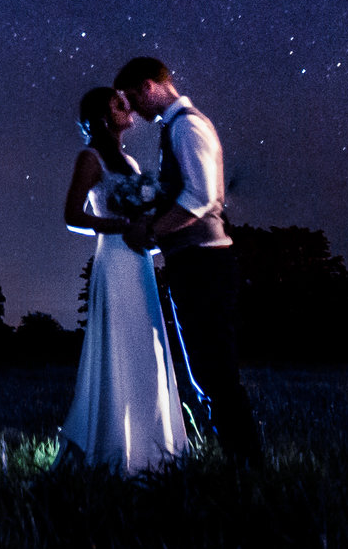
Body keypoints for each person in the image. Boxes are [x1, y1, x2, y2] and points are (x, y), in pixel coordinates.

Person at [116, 56, 263, 461]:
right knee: (207, 369)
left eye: (131, 98)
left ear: (149, 86)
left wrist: (150, 231)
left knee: (215, 370)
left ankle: (247, 464)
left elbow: (201, 197)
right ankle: (241, 460)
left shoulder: (187, 126)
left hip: (205, 264)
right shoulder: (176, 127)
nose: (133, 110)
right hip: (194, 261)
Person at [58, 85, 186, 473]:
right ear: (102, 117)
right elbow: (72, 216)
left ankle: (153, 449)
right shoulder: (90, 157)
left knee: (146, 345)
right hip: (114, 260)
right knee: (119, 345)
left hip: (138, 261)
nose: (127, 107)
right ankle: (114, 449)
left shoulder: (129, 162)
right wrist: (117, 226)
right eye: (119, 104)